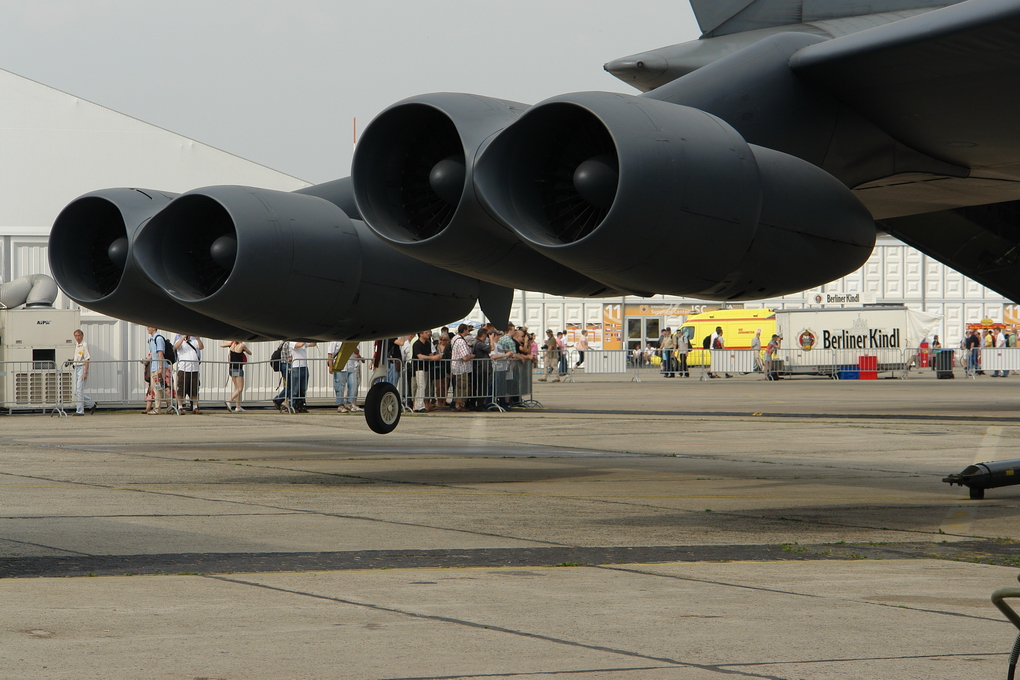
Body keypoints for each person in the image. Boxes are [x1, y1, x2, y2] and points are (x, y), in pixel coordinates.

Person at [327, 341, 362, 412]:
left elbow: (357, 352)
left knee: (353, 385)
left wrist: (352, 346)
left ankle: (349, 403)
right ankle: (340, 405)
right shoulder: (335, 340)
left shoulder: (353, 340)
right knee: (340, 386)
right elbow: (330, 353)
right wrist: (331, 366)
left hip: (351, 366)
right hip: (340, 366)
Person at [173, 334, 203, 413]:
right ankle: (180, 407)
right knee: (181, 389)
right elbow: (176, 346)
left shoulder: (194, 341)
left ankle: (195, 407)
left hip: (194, 369)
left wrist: (198, 338)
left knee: (194, 389)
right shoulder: (179, 341)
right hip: (183, 369)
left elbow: (201, 347)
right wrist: (183, 338)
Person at [69, 329, 96, 415]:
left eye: (79, 335)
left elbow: (87, 359)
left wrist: (85, 372)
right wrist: (72, 359)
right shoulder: (77, 345)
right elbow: (79, 356)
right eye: (76, 336)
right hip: (76, 367)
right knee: (76, 391)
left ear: (82, 336)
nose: (77, 337)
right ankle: (91, 403)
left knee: (79, 390)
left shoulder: (84, 345)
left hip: (82, 367)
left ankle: (80, 411)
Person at [411, 330, 439, 412]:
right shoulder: (416, 344)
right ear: (421, 334)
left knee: (423, 386)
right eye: (426, 332)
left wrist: (435, 356)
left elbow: (429, 354)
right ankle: (419, 406)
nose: (428, 334)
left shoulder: (428, 343)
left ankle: (418, 405)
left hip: (426, 367)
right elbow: (420, 356)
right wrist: (432, 357)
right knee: (421, 386)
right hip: (418, 367)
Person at [221, 340, 251, 412]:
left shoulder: (232, 345)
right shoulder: (242, 345)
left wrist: (231, 343)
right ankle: (229, 400)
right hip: (238, 368)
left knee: (236, 388)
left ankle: (238, 406)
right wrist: (244, 350)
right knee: (240, 389)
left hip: (231, 368)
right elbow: (250, 353)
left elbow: (221, 345)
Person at [451, 323, 474, 411]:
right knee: (462, 386)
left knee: (458, 386)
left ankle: (458, 404)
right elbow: (465, 357)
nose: (468, 332)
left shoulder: (455, 338)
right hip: (461, 368)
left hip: (456, 367)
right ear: (464, 330)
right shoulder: (461, 341)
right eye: (467, 330)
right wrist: (471, 356)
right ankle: (459, 405)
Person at [145, 327, 167, 414]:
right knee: (157, 388)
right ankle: (171, 402)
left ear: (154, 328)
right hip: (154, 367)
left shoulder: (158, 339)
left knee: (157, 388)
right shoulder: (151, 340)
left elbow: (160, 354)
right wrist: (146, 360)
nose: (147, 329)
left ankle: (157, 409)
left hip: (159, 367)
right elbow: (152, 354)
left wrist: (160, 368)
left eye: (148, 327)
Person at [289, 341, 315, 412]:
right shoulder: (292, 342)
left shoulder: (303, 342)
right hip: (296, 367)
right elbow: (299, 345)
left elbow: (313, 344)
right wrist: (305, 339)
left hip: (304, 366)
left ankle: (301, 406)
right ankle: (293, 406)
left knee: (303, 388)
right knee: (295, 389)